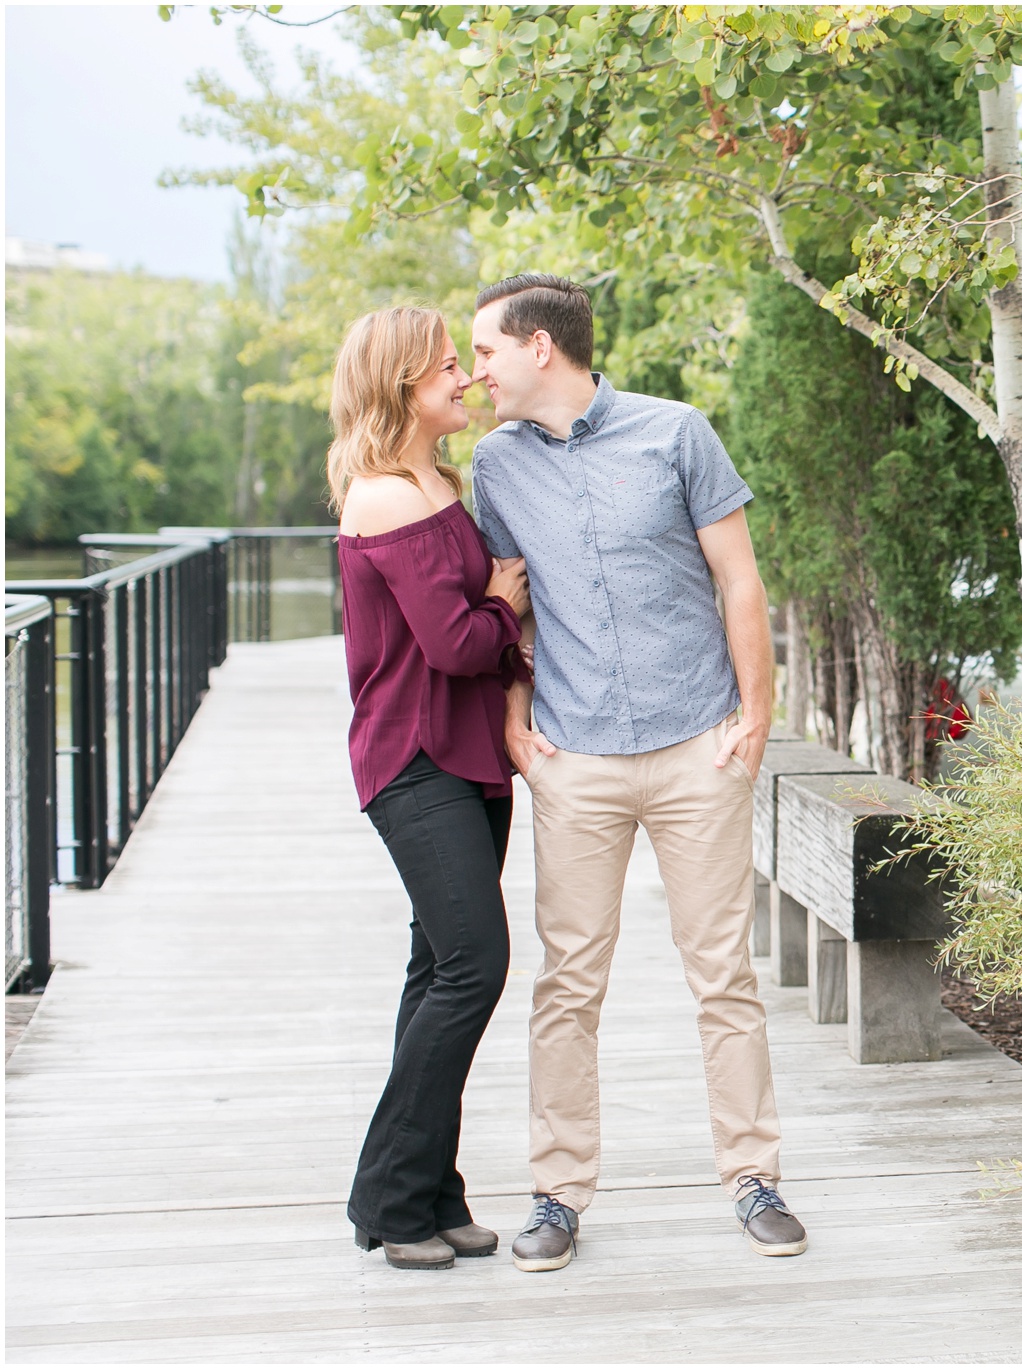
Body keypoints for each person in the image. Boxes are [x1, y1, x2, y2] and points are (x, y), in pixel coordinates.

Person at [468, 274, 806, 1272]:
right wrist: (515, 721)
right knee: (566, 985)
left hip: (696, 744)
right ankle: (557, 1192)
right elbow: (509, 603)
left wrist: (756, 716)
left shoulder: (676, 433)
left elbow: (738, 576)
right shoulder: (495, 465)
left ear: (539, 348)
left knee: (723, 979)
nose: (477, 368)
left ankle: (752, 1175)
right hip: (575, 760)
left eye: (485, 349)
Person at [331, 306, 532, 1270]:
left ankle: (432, 1189)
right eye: (450, 368)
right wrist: (502, 604)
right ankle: (388, 1192)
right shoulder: (382, 498)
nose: (467, 379)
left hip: (466, 760)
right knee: (472, 967)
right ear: (404, 384)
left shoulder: (434, 480)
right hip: (415, 760)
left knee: (435, 973)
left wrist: (491, 607)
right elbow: (456, 644)